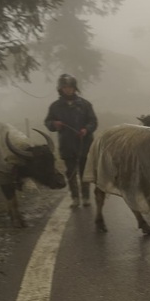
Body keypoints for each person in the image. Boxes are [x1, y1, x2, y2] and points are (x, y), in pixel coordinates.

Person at [44, 73, 97, 208]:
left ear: (75, 88)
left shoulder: (85, 104)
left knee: (85, 172)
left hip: (84, 144)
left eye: (70, 87)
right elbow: (48, 122)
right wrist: (54, 124)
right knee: (71, 172)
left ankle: (86, 197)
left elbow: (93, 121)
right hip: (67, 145)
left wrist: (86, 129)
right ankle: (75, 198)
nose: (68, 89)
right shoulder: (55, 106)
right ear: (60, 89)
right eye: (65, 87)